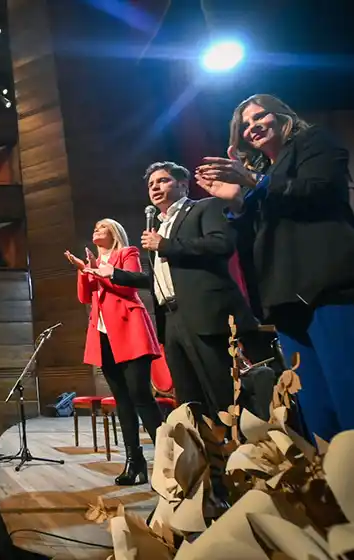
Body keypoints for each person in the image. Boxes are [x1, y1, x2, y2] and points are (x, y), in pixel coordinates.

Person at [195, 94, 354, 441]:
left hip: (328, 289)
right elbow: (251, 236)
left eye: (259, 117)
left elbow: (321, 191)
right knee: (314, 409)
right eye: (245, 125)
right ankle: (332, 486)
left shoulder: (314, 142)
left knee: (347, 395)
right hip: (285, 299)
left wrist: (255, 183)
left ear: (283, 116)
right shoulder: (262, 174)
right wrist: (236, 204)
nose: (252, 127)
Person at [93, 162, 259, 421]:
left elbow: (222, 244)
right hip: (171, 319)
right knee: (189, 397)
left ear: (183, 184)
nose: (155, 187)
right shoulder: (157, 229)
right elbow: (156, 279)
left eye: (163, 181)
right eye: (151, 185)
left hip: (203, 314)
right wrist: (114, 274)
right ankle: (208, 456)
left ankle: (241, 451)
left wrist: (167, 245)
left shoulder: (204, 207)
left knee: (221, 391)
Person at [65, 218, 163, 485]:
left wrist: (97, 271)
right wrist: (84, 269)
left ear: (115, 233)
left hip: (130, 330)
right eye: (94, 227)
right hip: (104, 335)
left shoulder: (126, 253)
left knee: (141, 396)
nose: (96, 230)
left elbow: (127, 286)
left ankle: (169, 459)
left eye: (102, 227)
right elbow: (84, 297)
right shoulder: (93, 261)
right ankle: (135, 463)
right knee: (122, 400)